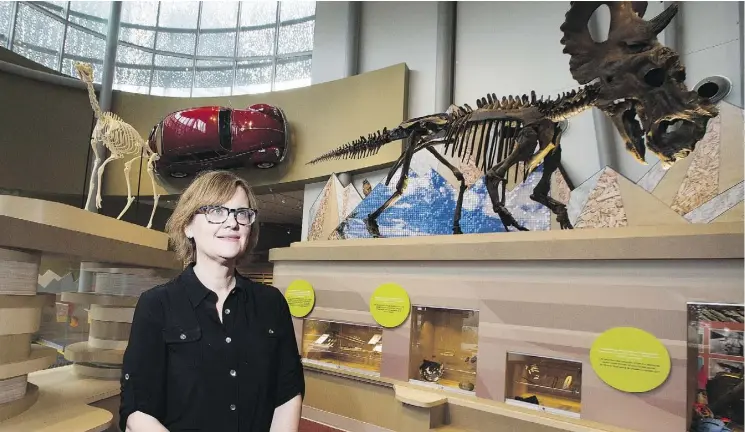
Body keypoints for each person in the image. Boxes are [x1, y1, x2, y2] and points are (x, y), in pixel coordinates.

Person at [119, 170, 304, 432]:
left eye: (242, 214)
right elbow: (137, 410)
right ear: (188, 225)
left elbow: (288, 392)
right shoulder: (157, 305)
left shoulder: (271, 303)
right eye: (216, 212)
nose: (232, 223)